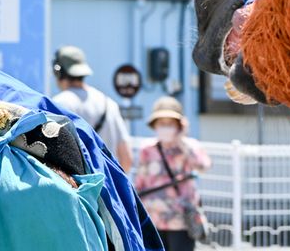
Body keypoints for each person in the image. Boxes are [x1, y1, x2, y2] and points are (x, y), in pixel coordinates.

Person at [135, 96, 212, 251]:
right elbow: (139, 183)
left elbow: (203, 166)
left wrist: (181, 139)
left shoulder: (189, 146)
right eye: (161, 123)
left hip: (181, 220)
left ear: (179, 125)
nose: (165, 127)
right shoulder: (147, 149)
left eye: (170, 123)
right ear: (154, 125)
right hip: (153, 218)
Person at [51, 45, 134, 171]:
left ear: (58, 71)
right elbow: (126, 158)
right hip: (106, 185)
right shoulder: (109, 104)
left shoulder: (58, 104)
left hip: (75, 187)